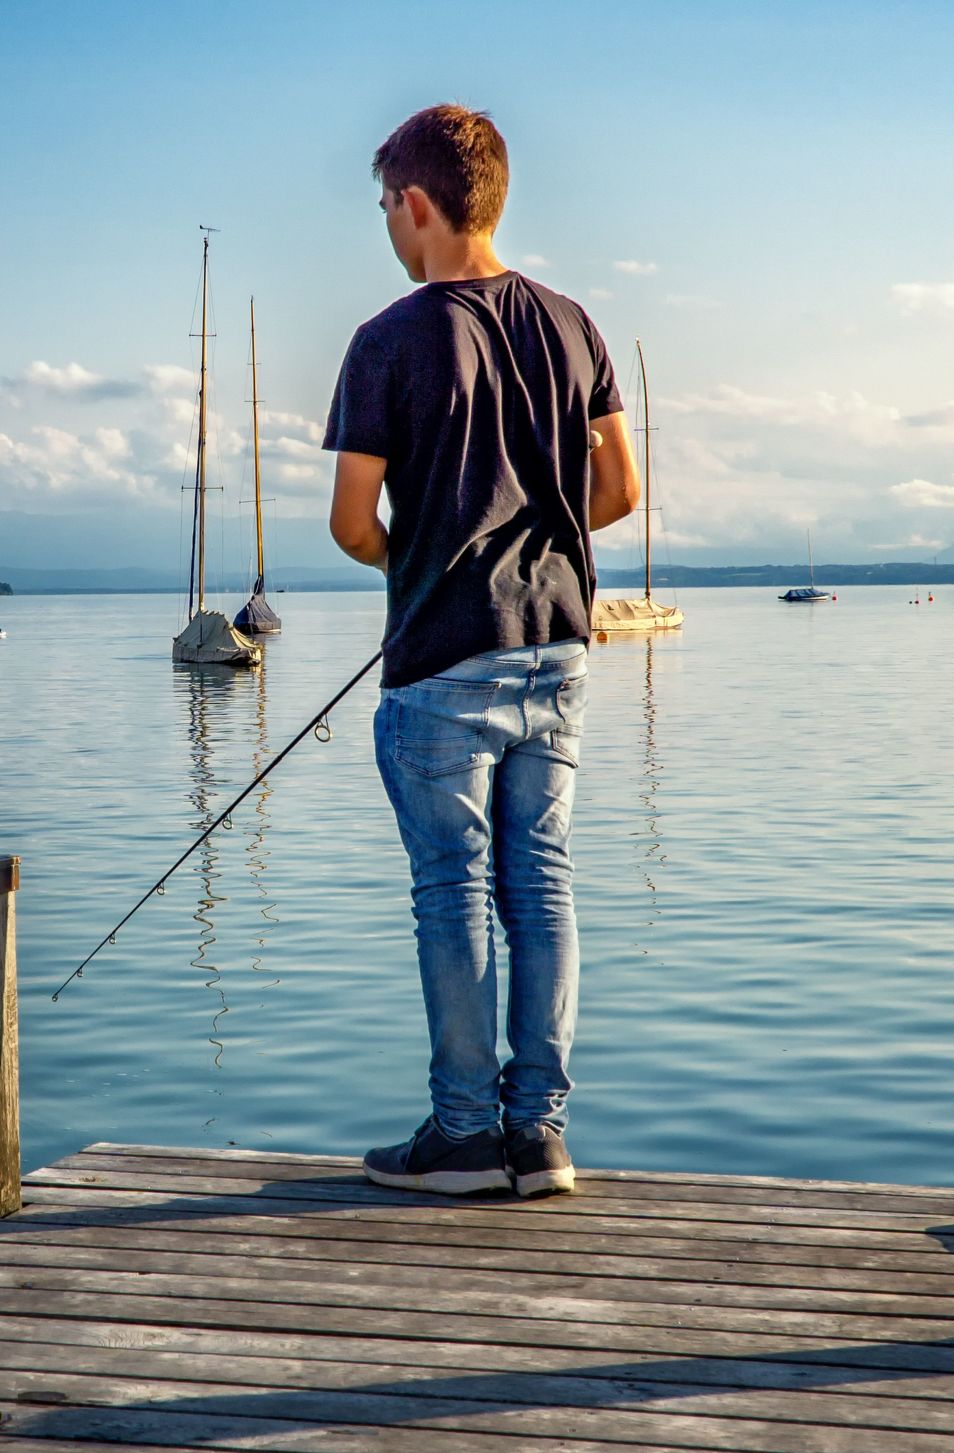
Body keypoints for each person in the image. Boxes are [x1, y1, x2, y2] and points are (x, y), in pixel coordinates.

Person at [324, 104, 640, 1198]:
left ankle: (460, 1138)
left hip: (442, 657)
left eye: (383, 210)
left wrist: (416, 561)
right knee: (541, 883)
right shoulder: (570, 323)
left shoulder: (388, 341)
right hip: (556, 645)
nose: (387, 231)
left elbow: (351, 520)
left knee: (451, 889)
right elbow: (617, 490)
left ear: (416, 205)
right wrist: (529, 542)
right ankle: (538, 1136)